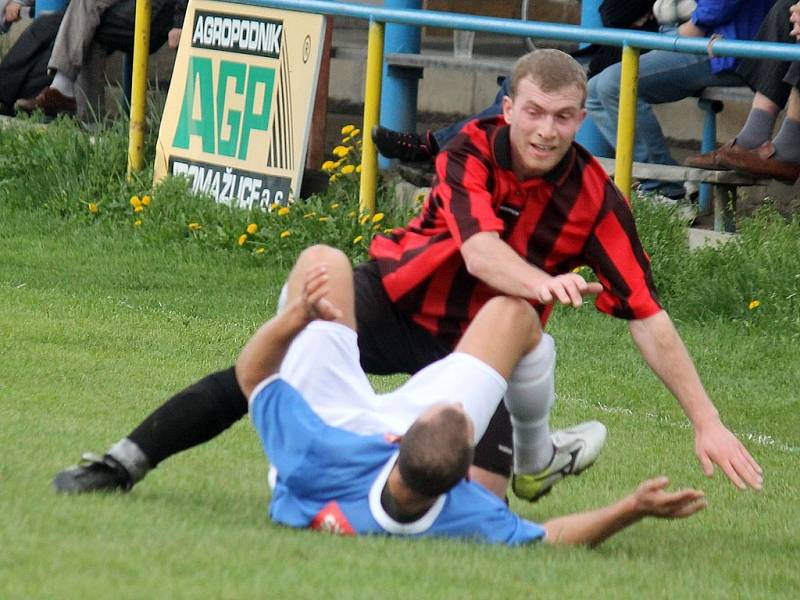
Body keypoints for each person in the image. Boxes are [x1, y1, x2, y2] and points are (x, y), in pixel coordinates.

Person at [53, 49, 763, 503]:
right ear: (508, 107)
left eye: (565, 117)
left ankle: (534, 456)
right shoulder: (471, 147)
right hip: (391, 301)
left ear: (584, 118)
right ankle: (122, 463)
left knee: (481, 504)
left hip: (476, 346)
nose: (547, 130)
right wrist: (542, 283)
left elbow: (648, 314)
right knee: (266, 367)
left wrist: (708, 421)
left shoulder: (597, 201)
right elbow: (482, 254)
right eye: (535, 113)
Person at [239, 243, 706, 545]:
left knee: (324, 261)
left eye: (450, 411)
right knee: (514, 313)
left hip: (332, 421)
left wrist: (295, 318)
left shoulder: (311, 454)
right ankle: (535, 455)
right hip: (386, 456)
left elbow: (253, 374)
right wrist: (632, 509)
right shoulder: (465, 512)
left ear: (400, 438)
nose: (461, 407)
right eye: (465, 418)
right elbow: (550, 536)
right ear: (464, 473)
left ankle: (536, 453)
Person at [372, 0, 663, 164]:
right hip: (613, 53)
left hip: (643, 54)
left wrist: (652, 13)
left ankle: (438, 146)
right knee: (518, 82)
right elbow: (611, 13)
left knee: (527, 95)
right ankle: (444, 147)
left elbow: (698, 18)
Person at [586, 0, 774, 200]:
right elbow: (613, 13)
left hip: (724, 43)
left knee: (613, 85)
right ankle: (667, 183)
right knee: (594, 92)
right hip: (685, 35)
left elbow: (717, 6)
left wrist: (693, 27)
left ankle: (665, 190)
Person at [0, 0, 180, 116]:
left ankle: (61, 93)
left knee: (84, 28)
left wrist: (180, 21)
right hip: (111, 7)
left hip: (156, 10)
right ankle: (84, 117)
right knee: (45, 26)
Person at [685, 0, 800, 182]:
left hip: (717, 39)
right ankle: (752, 137)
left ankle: (789, 149)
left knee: (622, 80)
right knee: (785, 7)